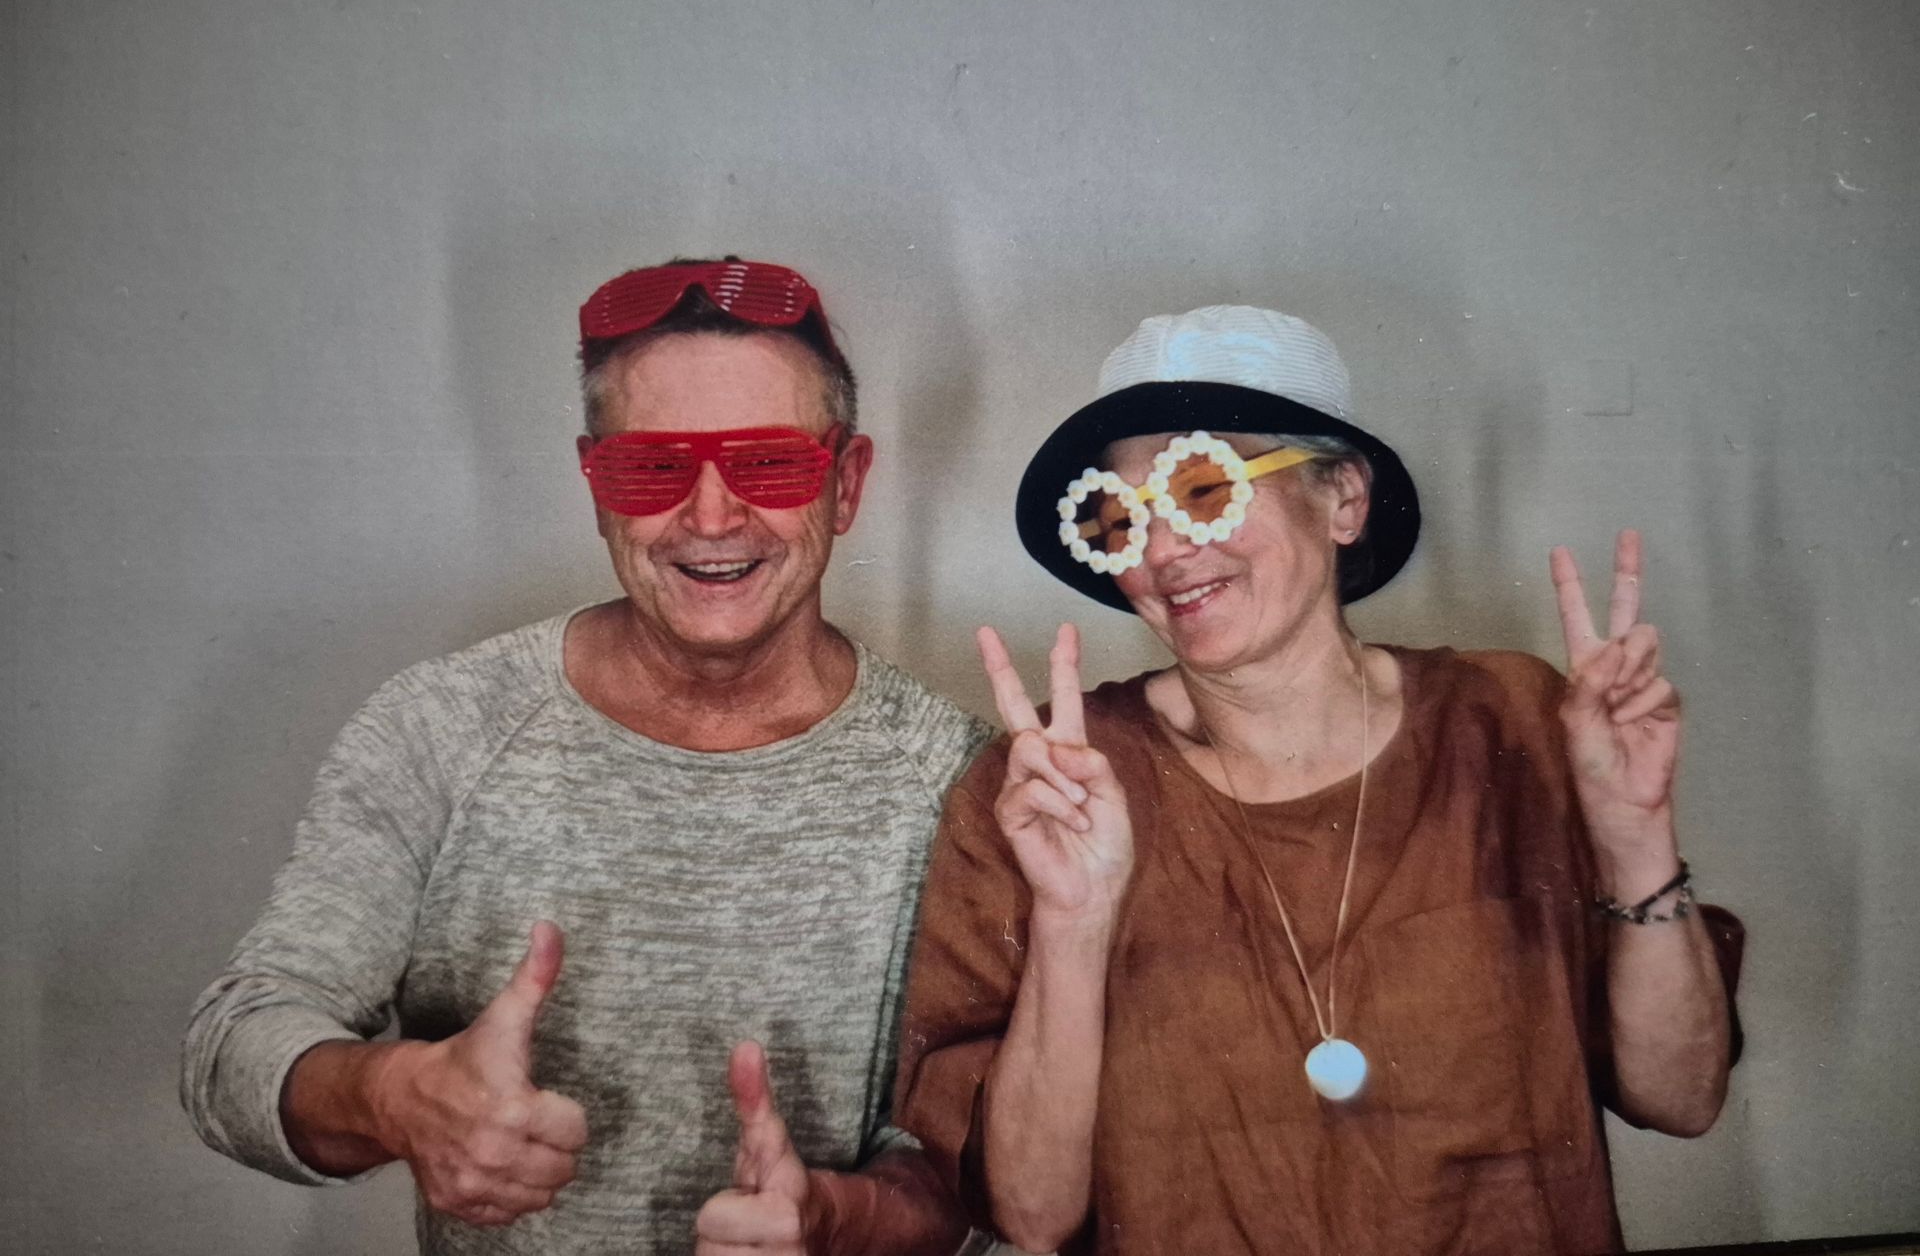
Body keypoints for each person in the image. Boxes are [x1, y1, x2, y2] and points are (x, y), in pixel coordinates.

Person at [894, 305, 1744, 1256]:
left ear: (1343, 497)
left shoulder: (1511, 723)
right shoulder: (1054, 791)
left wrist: (1635, 837)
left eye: (1204, 488)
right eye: (1122, 518)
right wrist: (1075, 921)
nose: (1163, 551)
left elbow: (1682, 1098)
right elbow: (1032, 1213)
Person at [182, 258, 990, 1256]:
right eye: (651, 469)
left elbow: (972, 1164)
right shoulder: (442, 728)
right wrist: (394, 1094)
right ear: (595, 483)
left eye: (768, 464)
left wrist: (840, 1219)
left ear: (847, 481)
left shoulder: (957, 777)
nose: (711, 517)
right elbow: (235, 1043)